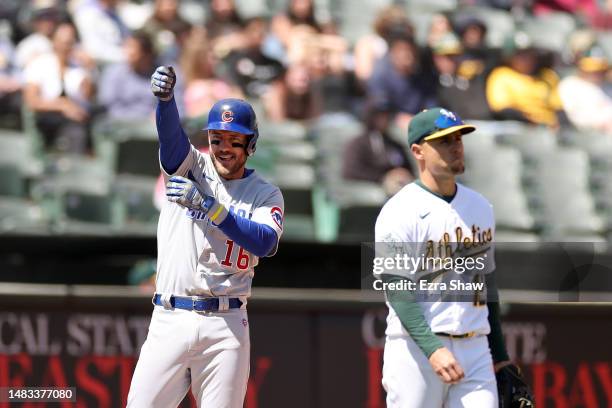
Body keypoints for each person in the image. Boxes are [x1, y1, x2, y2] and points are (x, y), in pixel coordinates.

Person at [127, 66, 284, 407]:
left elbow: (264, 243)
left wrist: (212, 208)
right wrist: (166, 101)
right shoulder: (192, 167)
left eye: (234, 140)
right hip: (170, 316)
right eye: (217, 139)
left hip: (225, 325)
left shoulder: (265, 194)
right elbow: (170, 141)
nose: (224, 148)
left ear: (250, 144)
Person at [374, 107, 530, 407]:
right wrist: (433, 349)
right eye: (444, 141)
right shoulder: (399, 210)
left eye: (458, 138)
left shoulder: (481, 207)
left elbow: (487, 287)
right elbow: (397, 290)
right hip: (416, 349)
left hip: (475, 347)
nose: (456, 146)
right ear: (418, 151)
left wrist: (500, 356)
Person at [23, 21, 94, 154]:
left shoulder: (79, 68)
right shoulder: (39, 64)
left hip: (79, 118)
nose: (67, 46)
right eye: (64, 42)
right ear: (54, 41)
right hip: (48, 119)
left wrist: (89, 70)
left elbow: (88, 96)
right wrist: (62, 105)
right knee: (76, 132)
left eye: (70, 42)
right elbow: (31, 101)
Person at [342, 101, 414, 195]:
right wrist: (383, 176)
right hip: (376, 185)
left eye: (386, 115)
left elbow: (407, 167)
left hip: (402, 182)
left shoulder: (395, 144)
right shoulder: (359, 143)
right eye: (380, 116)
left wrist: (403, 173)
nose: (384, 120)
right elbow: (351, 171)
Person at [98, 31, 159, 121]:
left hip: (157, 125)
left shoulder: (161, 73)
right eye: (127, 47)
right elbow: (111, 108)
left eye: (133, 48)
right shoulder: (114, 73)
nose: (128, 52)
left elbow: (175, 103)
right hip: (123, 126)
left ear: (147, 54)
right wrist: (142, 118)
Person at [558, 45, 612, 135]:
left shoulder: (607, 85)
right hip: (590, 135)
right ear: (580, 67)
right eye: (592, 70)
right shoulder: (569, 85)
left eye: (600, 70)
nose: (596, 74)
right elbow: (576, 118)